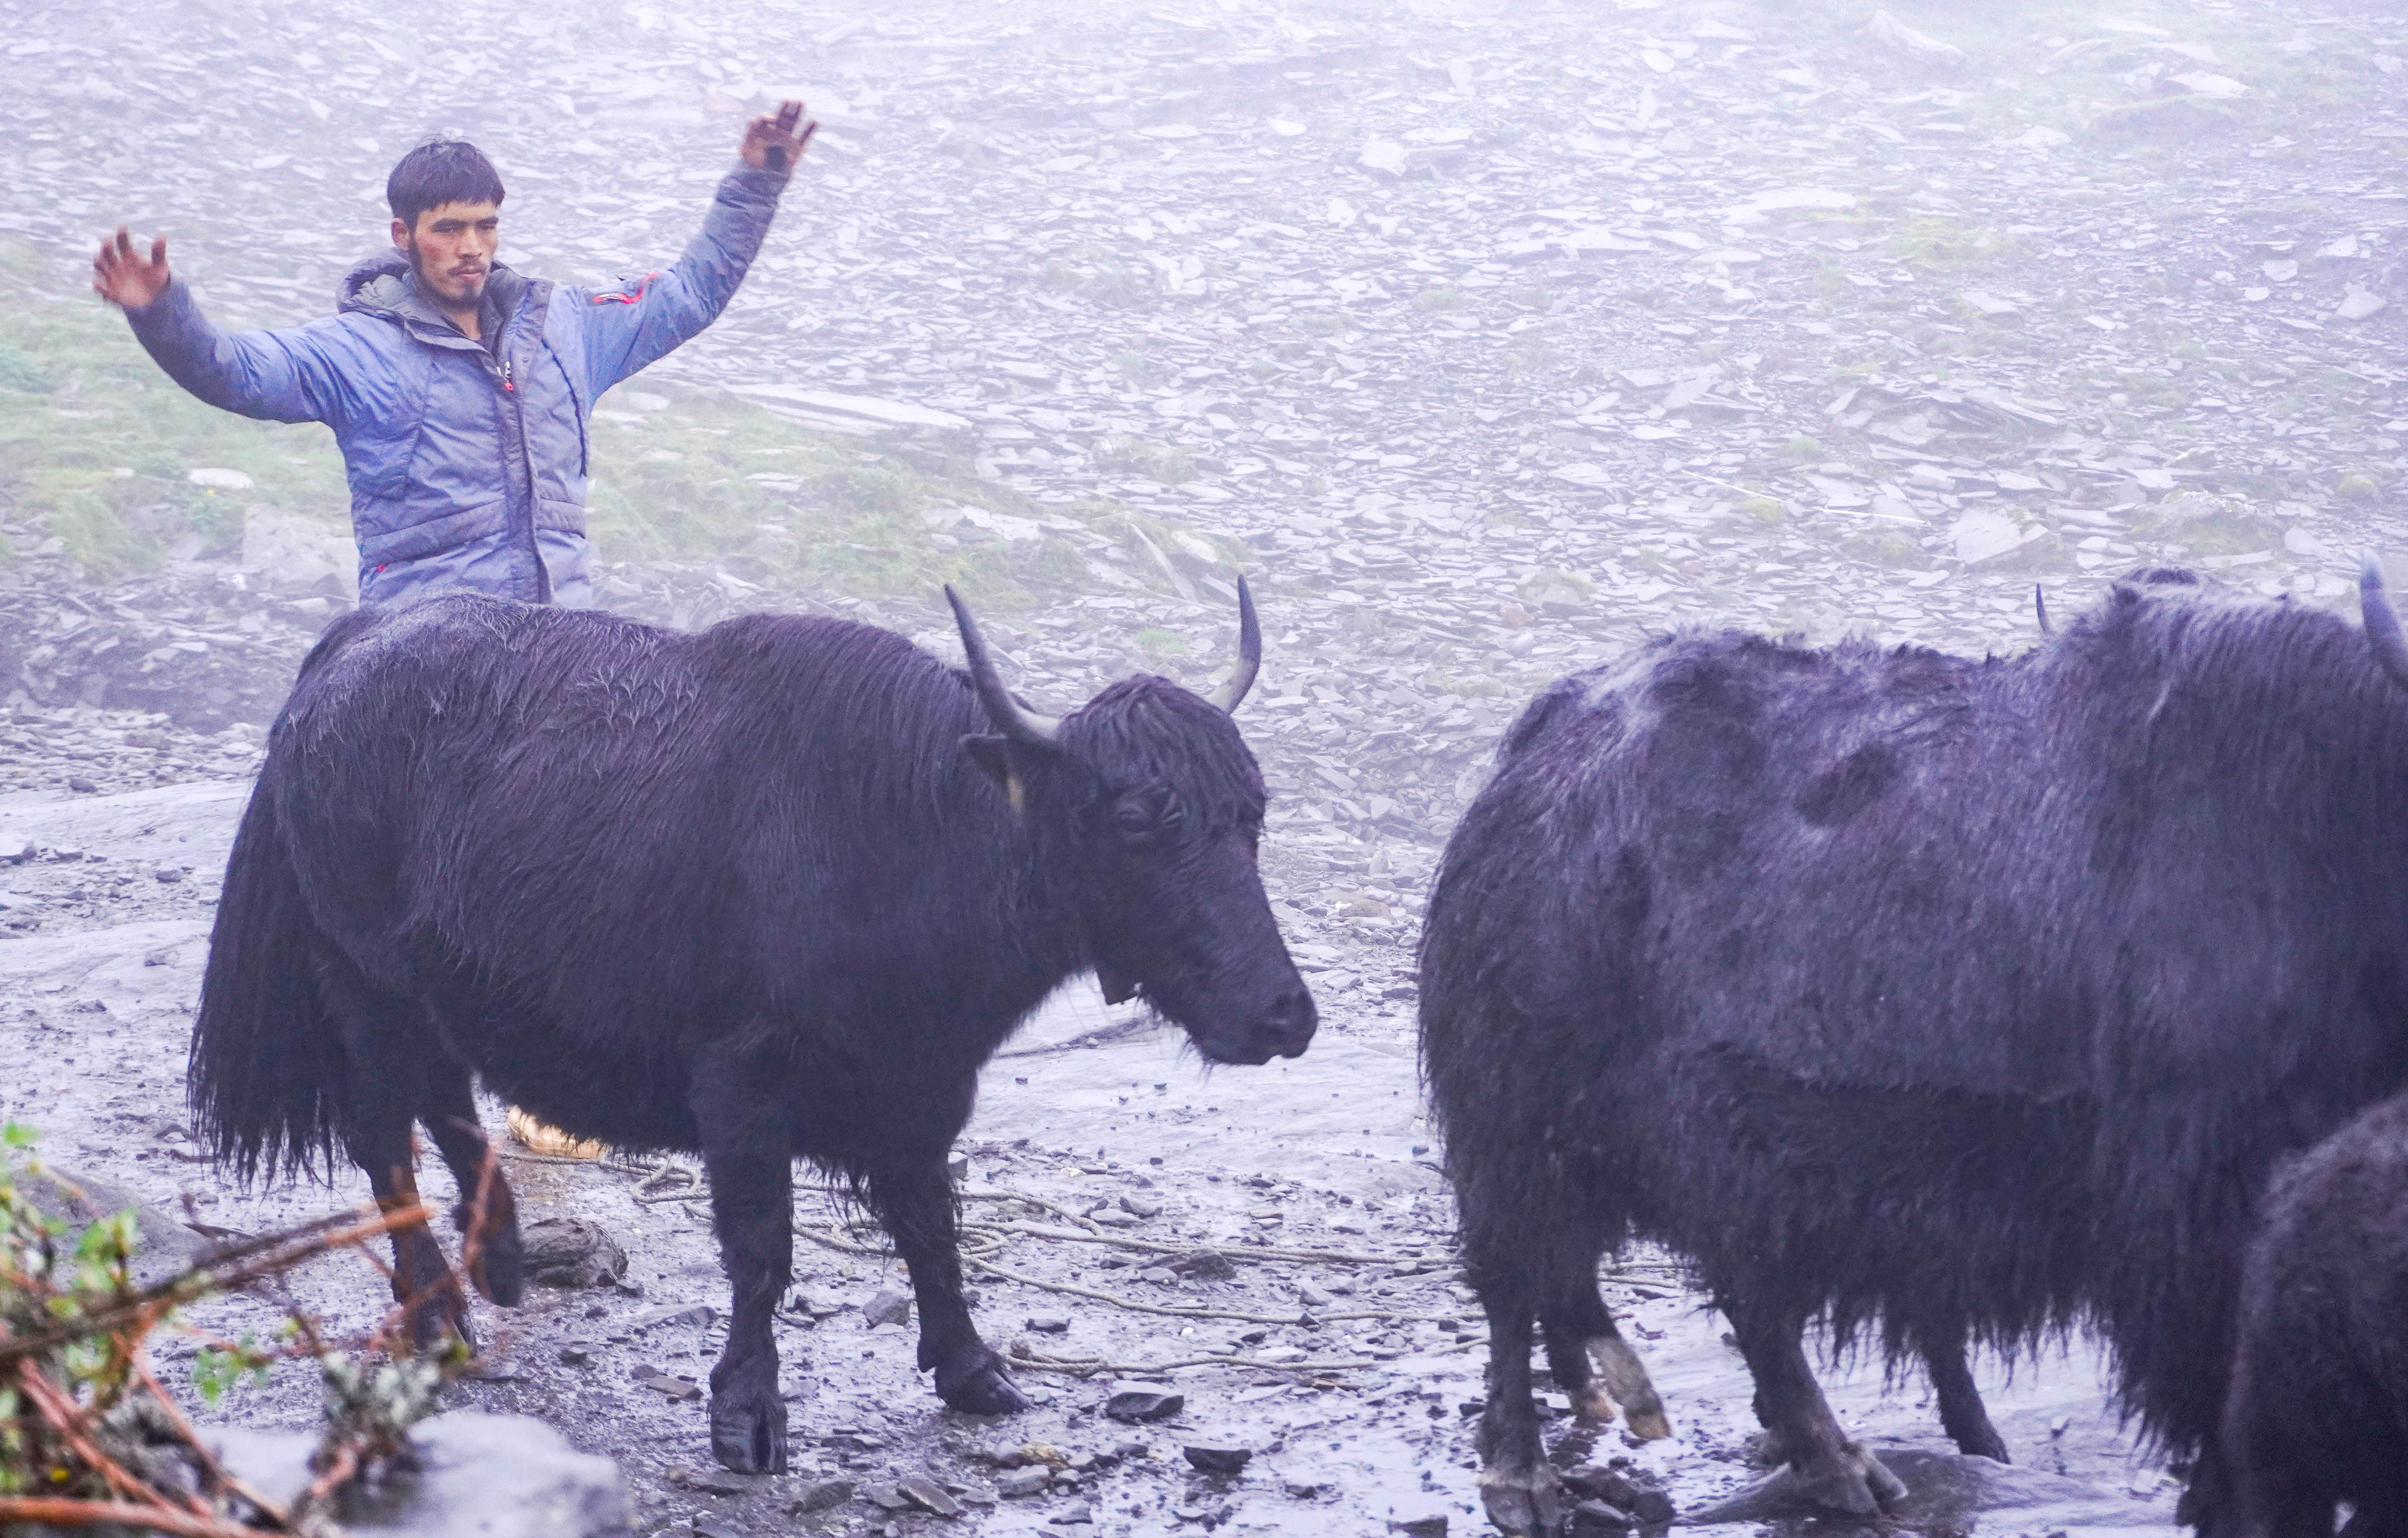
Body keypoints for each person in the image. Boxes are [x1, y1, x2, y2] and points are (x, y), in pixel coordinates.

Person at [91, 103, 816, 608]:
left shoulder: (567, 328)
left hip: (560, 655)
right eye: (449, 229)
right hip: (421, 667)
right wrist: (161, 312)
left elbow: (689, 294)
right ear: (403, 236)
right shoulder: (353, 352)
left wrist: (757, 183)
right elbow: (235, 373)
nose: (471, 247)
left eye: (486, 226)